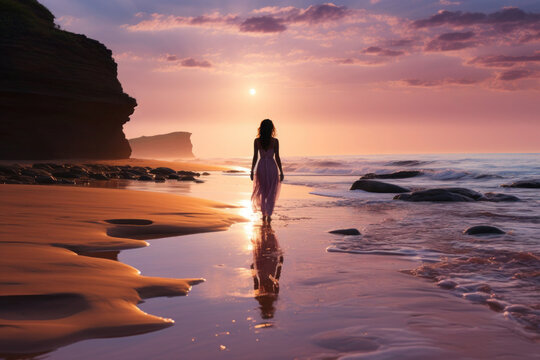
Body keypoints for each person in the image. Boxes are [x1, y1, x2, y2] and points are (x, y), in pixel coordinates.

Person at [250, 119, 284, 221]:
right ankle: (268, 214)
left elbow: (255, 157)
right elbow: (277, 157)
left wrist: (252, 170)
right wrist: (281, 171)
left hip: (261, 168)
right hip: (272, 167)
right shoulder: (275, 141)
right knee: (271, 191)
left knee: (263, 190)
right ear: (271, 128)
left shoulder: (257, 141)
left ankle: (264, 214)